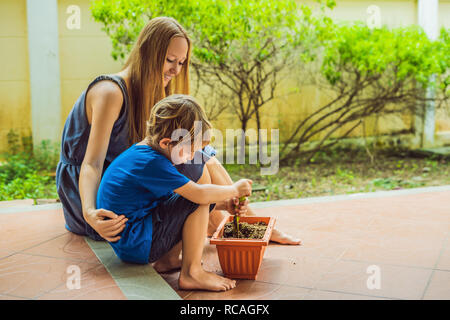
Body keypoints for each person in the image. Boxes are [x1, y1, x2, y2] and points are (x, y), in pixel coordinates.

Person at [55, 16, 300, 246]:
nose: (176, 70)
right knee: (197, 167)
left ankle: (245, 226)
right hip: (96, 196)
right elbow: (92, 164)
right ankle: (242, 230)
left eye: (181, 63)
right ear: (147, 54)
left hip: (133, 184)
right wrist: (89, 213)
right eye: (170, 60)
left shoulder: (155, 91)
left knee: (201, 155)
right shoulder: (110, 92)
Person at [97, 94, 251, 291]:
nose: (190, 158)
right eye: (189, 151)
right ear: (166, 143)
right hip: (137, 242)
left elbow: (173, 202)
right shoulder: (152, 163)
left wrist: (222, 204)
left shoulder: (146, 152)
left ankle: (168, 260)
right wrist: (233, 190)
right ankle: (192, 273)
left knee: (197, 197)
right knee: (197, 197)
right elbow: (198, 196)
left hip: (135, 236)